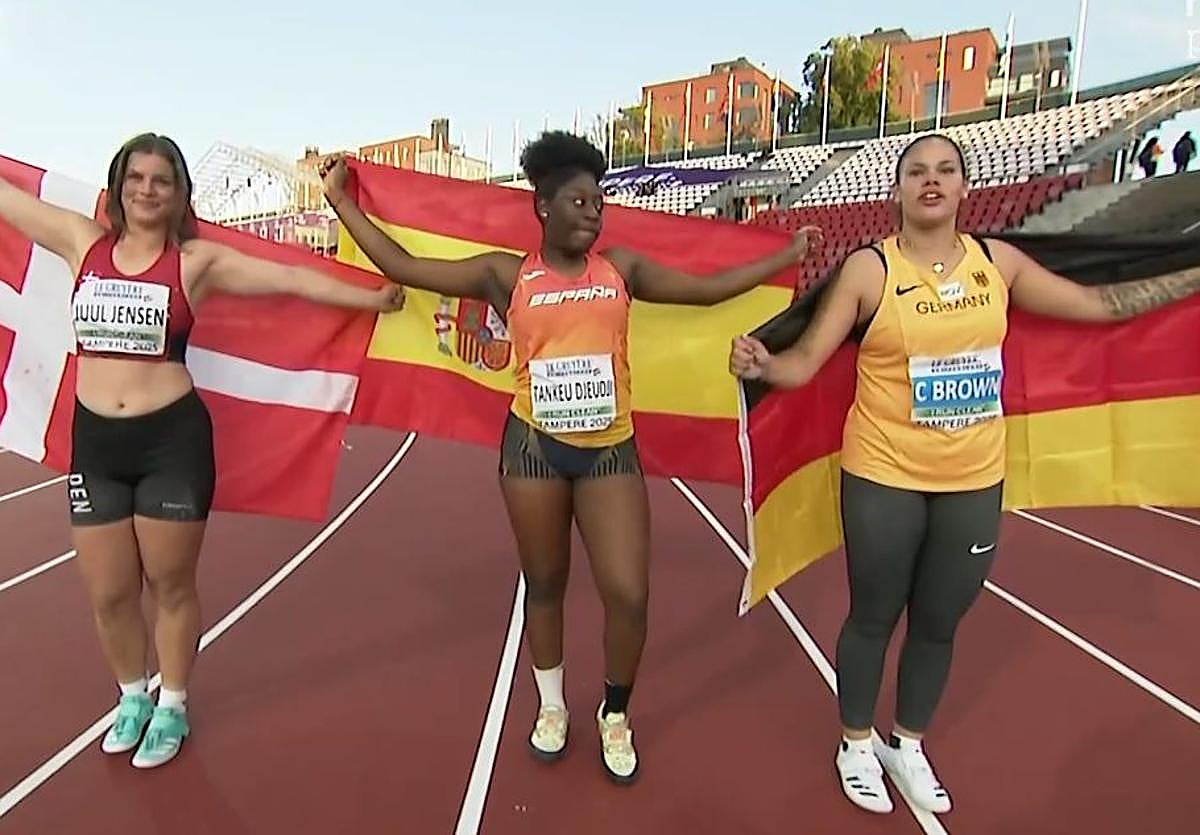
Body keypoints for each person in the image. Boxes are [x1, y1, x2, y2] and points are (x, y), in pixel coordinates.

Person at [320, 131, 817, 784]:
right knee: (546, 582)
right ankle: (552, 705)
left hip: (609, 449)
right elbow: (404, 264)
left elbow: (708, 289)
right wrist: (338, 201)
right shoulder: (506, 274)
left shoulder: (623, 271)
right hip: (533, 449)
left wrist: (786, 254)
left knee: (629, 592)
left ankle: (615, 711)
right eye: (579, 201)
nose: (592, 212)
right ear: (544, 209)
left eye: (599, 203)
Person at [728, 132, 1200, 815]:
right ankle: (856, 743)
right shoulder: (869, 271)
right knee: (873, 614)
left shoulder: (998, 264)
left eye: (946, 170)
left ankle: (907, 744)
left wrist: (1190, 278)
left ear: (963, 188)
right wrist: (762, 366)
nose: (931, 180)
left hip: (974, 477)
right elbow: (801, 363)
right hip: (885, 471)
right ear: (895, 191)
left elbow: (1099, 307)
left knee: (940, 621)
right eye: (916, 170)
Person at [0, 133, 404, 769]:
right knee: (107, 593)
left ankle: (174, 704)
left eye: (161, 180)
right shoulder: (85, 244)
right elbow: (9, 203)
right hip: (97, 446)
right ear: (118, 185)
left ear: (179, 193)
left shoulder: (196, 265)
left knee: (170, 586)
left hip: (171, 445)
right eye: (136, 178)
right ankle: (133, 695)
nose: (147, 190)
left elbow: (291, 280)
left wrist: (372, 296)